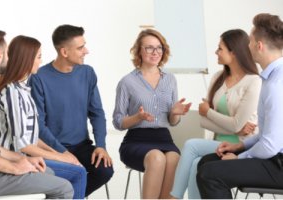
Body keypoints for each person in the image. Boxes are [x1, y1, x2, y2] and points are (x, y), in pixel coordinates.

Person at [197, 13, 283, 199]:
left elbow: (270, 145)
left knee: (210, 174)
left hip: (278, 163)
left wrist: (239, 157)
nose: (247, 46)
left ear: (259, 46)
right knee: (206, 162)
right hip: (273, 155)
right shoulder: (270, 79)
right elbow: (266, 134)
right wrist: (238, 147)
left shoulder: (277, 84)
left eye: (250, 42)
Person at [170, 29, 261, 199]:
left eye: (220, 48)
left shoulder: (253, 81)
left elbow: (227, 121)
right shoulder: (218, 78)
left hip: (240, 149)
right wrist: (234, 128)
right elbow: (204, 121)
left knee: (191, 145)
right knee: (197, 163)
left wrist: (209, 112)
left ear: (233, 52)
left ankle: (174, 197)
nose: (216, 52)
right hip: (218, 145)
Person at [0, 29, 73, 199]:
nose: (10, 59)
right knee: (64, 188)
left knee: (49, 173)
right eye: (7, 54)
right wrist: (15, 167)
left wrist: (20, 158)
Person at [28, 24, 114, 197]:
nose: (86, 51)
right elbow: (39, 125)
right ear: (64, 52)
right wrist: (63, 153)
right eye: (81, 47)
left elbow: (97, 113)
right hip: (51, 148)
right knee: (71, 174)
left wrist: (101, 146)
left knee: (105, 171)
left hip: (82, 146)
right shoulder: (39, 78)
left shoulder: (88, 73)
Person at [113, 29, 192, 199]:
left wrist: (174, 113)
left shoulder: (170, 79)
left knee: (174, 159)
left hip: (164, 138)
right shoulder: (127, 82)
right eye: (149, 48)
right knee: (157, 158)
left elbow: (173, 122)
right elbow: (118, 122)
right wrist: (138, 117)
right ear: (139, 51)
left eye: (159, 48)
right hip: (136, 140)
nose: (155, 52)